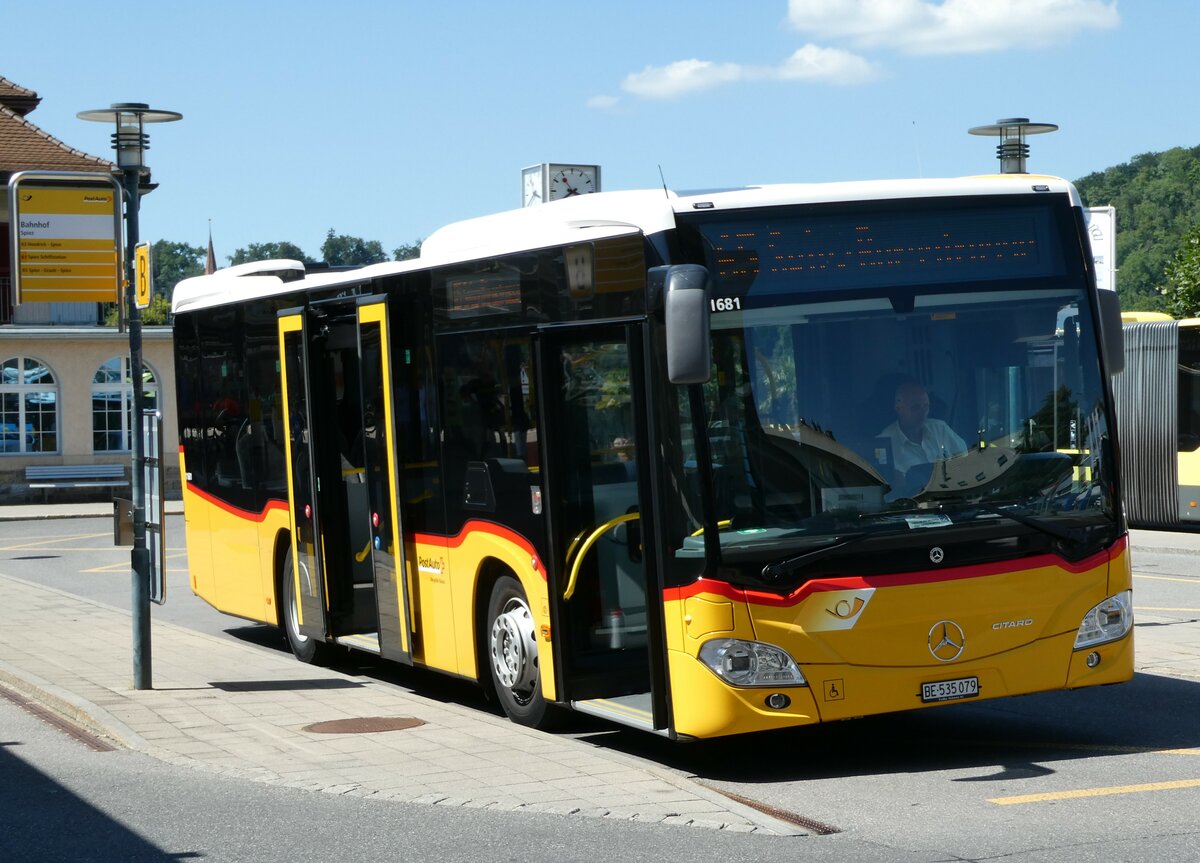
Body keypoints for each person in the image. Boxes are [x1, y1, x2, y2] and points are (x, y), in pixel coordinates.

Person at [877, 380, 967, 486]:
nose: (923, 413)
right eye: (916, 407)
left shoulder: (940, 429)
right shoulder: (884, 443)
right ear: (899, 408)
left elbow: (965, 461)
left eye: (926, 406)